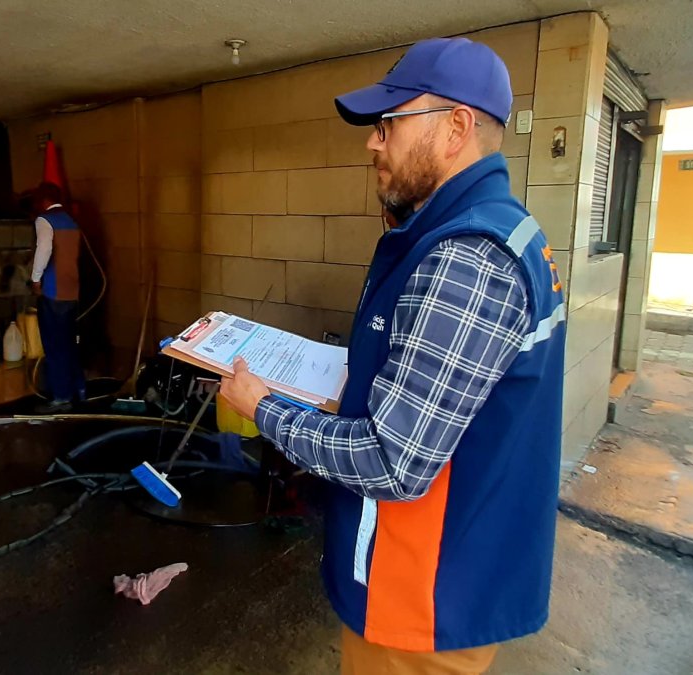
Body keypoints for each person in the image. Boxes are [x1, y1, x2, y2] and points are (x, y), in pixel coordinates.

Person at [219, 37, 566, 675]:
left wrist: (263, 406)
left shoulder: (467, 256)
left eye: (390, 124)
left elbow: (393, 461)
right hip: (447, 571)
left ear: (456, 127)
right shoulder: (489, 230)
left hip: (422, 593)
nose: (372, 144)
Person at [31, 182, 86, 413]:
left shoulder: (45, 220)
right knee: (69, 342)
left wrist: (35, 278)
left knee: (54, 345)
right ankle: (79, 390)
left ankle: (61, 397)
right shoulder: (72, 222)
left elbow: (44, 250)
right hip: (72, 291)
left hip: (52, 291)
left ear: (43, 200)